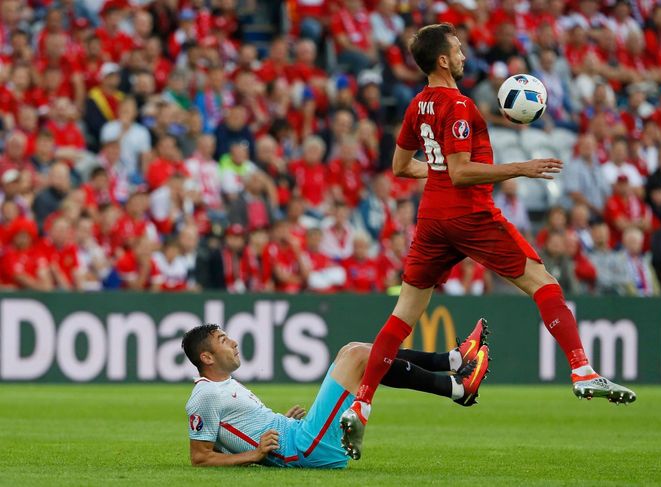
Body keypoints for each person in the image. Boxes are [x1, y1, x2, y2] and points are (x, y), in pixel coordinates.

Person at [340, 23, 636, 462]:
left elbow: (402, 167)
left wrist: (437, 174)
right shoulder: (458, 105)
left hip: (431, 218)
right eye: (457, 50)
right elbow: (460, 172)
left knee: (402, 314)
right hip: (469, 214)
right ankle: (582, 369)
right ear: (442, 60)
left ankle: (361, 404)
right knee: (543, 281)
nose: (463, 55)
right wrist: (522, 167)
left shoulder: (417, 104)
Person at [182, 323, 486, 468]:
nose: (234, 342)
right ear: (207, 358)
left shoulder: (224, 386)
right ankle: (457, 387)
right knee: (356, 355)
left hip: (297, 436)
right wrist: (256, 455)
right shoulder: (205, 394)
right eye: (223, 340)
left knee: (354, 349)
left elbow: (235, 433)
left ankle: (452, 362)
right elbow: (200, 457)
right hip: (302, 450)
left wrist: (278, 423)